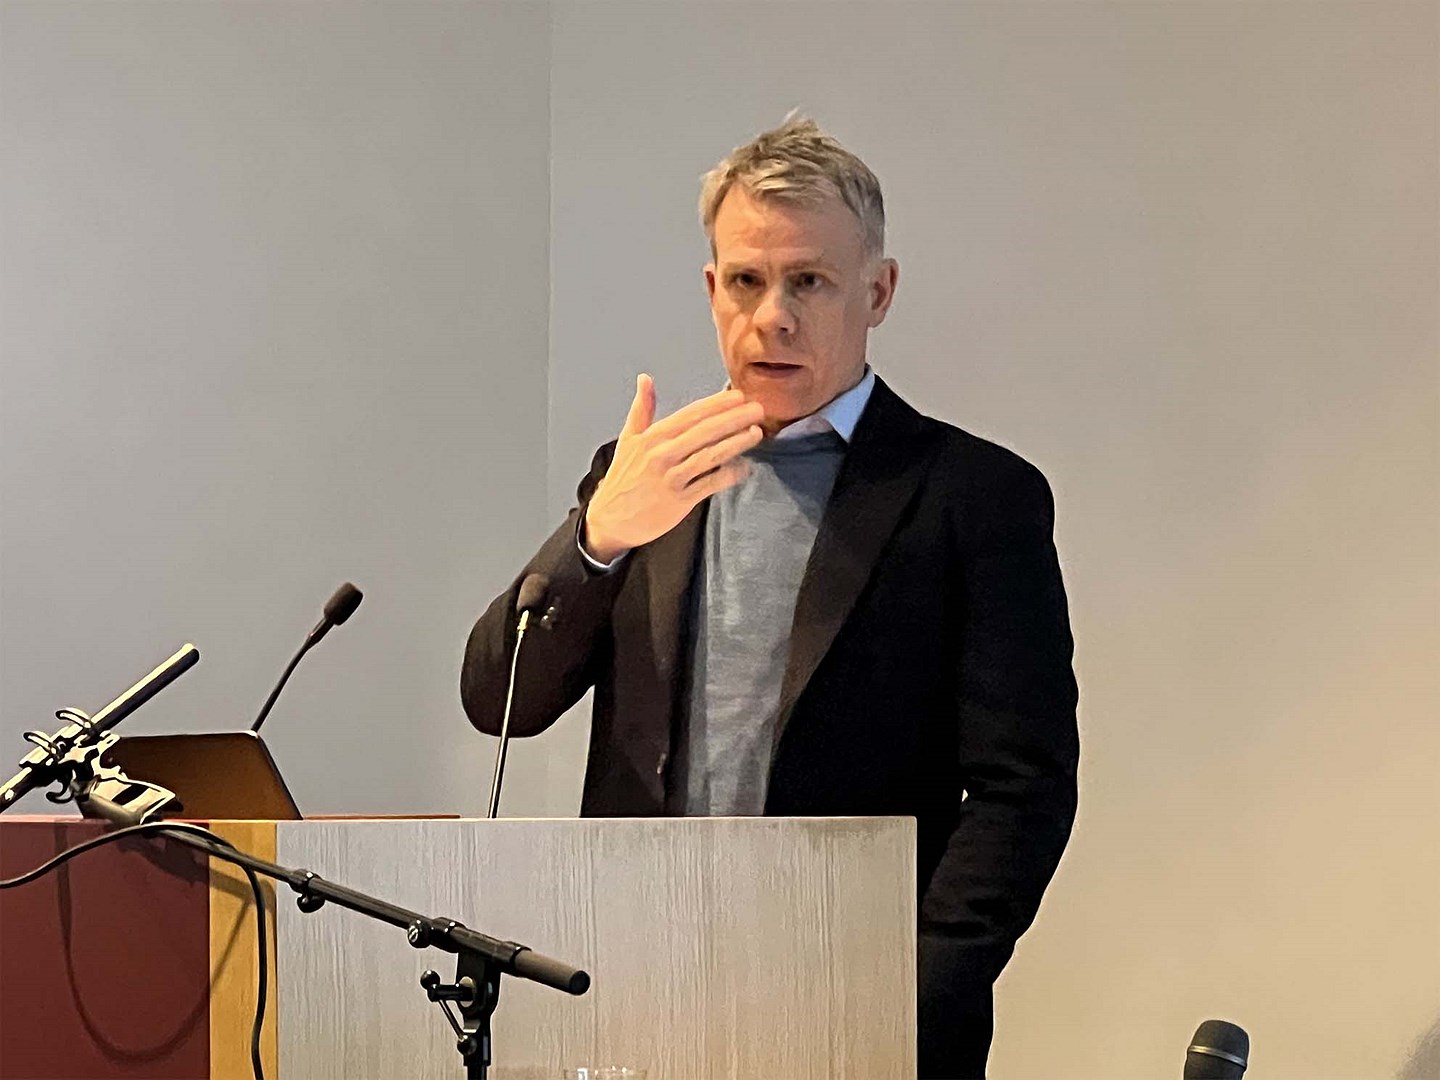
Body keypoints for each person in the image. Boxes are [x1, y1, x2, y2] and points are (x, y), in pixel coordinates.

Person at [462, 116, 1078, 1078]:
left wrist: (916, 991)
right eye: (747, 281)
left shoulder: (972, 496)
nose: (773, 316)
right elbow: (502, 700)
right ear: (713, 289)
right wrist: (597, 539)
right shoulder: (647, 476)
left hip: (862, 1002)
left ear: (878, 292)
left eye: (810, 282)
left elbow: (1023, 788)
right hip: (638, 987)